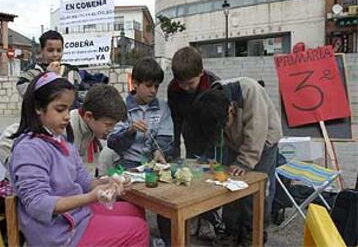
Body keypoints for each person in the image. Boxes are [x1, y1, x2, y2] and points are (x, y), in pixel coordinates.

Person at [9, 72, 149, 247]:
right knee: (138, 229)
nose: (67, 116)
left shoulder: (62, 142)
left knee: (135, 210)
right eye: (60, 109)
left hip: (73, 216)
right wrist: (91, 197)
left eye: (68, 109)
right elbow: (38, 204)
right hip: (57, 232)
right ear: (38, 107)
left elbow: (83, 180)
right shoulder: (29, 148)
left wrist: (109, 183)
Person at [189, 77, 282, 246]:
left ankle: (253, 234)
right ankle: (231, 231)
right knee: (230, 187)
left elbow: (256, 132)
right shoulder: (213, 98)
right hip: (236, 143)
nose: (223, 130)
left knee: (254, 191)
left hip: (264, 142)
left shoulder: (251, 92)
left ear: (231, 109)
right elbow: (213, 131)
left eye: (224, 126)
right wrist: (208, 157)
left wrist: (244, 162)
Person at [103, 57, 173, 171]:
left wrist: (158, 151)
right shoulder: (122, 107)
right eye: (149, 85)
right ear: (135, 83)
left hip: (153, 163)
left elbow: (165, 137)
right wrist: (130, 131)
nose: (153, 90)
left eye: (156, 86)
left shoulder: (163, 107)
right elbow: (113, 143)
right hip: (128, 164)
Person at [167, 46, 219, 161]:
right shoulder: (173, 88)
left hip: (213, 133)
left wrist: (210, 152)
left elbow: (219, 124)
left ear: (201, 73)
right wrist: (175, 147)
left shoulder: (214, 86)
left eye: (190, 83)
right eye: (181, 83)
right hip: (191, 132)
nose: (186, 88)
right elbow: (176, 120)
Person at [70, 84, 127, 160]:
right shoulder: (68, 129)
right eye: (108, 124)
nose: (111, 129)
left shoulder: (90, 126)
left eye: (113, 125)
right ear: (88, 116)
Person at [16, 30, 81, 97]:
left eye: (59, 50)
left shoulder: (71, 72)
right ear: (41, 50)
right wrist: (47, 76)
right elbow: (29, 96)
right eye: (50, 50)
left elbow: (75, 96)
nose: (55, 54)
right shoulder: (30, 73)